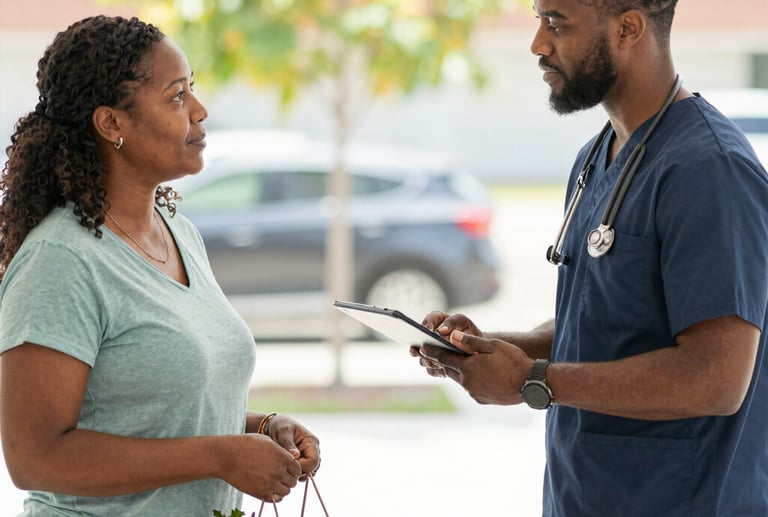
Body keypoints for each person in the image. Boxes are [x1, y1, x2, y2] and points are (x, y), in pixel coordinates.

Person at [412, 1, 768, 515]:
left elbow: (714, 378)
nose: (537, 44)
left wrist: (531, 380)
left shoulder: (710, 170)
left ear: (627, 28)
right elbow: (608, 321)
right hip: (583, 497)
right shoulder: (596, 157)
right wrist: (490, 349)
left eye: (555, 23)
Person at [0, 15, 320, 516]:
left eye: (192, 89)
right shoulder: (60, 261)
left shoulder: (180, 234)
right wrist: (219, 456)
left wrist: (258, 428)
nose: (199, 109)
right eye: (176, 96)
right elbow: (34, 458)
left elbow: (156, 415)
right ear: (112, 124)